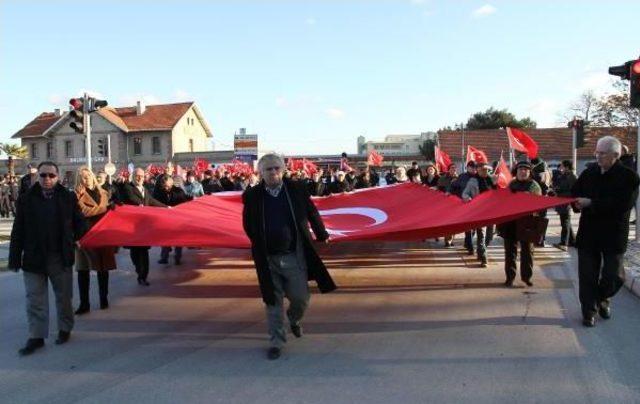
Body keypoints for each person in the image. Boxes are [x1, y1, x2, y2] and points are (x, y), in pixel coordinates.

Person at [242, 153, 336, 360]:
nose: (274, 172)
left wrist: (322, 234)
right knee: (272, 301)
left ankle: (294, 320)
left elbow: (312, 213)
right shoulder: (251, 196)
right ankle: (276, 340)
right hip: (267, 259)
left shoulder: (296, 189)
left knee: (300, 298)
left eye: (277, 168)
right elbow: (248, 225)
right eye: (269, 169)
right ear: (261, 173)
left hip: (294, 255)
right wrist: (259, 243)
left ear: (283, 170)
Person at [9, 161, 87, 355]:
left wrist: (78, 238)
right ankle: (36, 336)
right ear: (38, 176)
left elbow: (80, 222)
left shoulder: (67, 197)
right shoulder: (27, 199)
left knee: (64, 297)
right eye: (43, 175)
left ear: (58, 177)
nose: (47, 179)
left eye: (51, 175)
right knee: (35, 299)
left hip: (59, 256)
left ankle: (64, 329)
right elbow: (18, 229)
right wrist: (14, 258)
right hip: (34, 257)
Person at [572, 136, 640, 327]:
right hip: (589, 234)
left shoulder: (629, 177)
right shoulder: (589, 173)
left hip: (614, 235)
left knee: (615, 276)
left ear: (616, 155)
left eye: (602, 153)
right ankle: (589, 312)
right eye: (597, 152)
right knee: (587, 276)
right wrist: (574, 202)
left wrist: (591, 203)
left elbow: (622, 204)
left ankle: (601, 298)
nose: (598, 156)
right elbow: (575, 192)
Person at [73, 166, 116, 315]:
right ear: (79, 180)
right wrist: (107, 209)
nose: (86, 179)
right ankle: (84, 304)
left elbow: (111, 212)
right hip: (84, 236)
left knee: (103, 269)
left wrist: (115, 208)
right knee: (83, 271)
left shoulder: (104, 193)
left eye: (88, 176)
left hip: (102, 235)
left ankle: (104, 299)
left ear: (92, 176)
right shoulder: (77, 195)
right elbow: (84, 211)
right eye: (83, 177)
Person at [497, 160, 542, 287]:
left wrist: (524, 197)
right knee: (510, 251)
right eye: (520, 169)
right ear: (516, 171)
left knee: (527, 251)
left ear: (530, 172)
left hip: (528, 221)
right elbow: (504, 200)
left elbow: (537, 201)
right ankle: (510, 277)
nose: (523, 172)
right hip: (511, 222)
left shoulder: (534, 185)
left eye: (526, 170)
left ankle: (526, 277)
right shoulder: (511, 184)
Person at [121, 168, 167, 285]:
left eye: (141, 176)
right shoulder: (128, 187)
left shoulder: (145, 189)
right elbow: (131, 198)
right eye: (137, 175)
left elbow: (152, 201)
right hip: (133, 227)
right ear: (133, 176)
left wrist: (166, 207)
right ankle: (138, 269)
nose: (140, 178)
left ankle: (143, 276)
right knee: (135, 251)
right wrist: (140, 205)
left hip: (144, 227)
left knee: (144, 251)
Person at [461, 162, 496, 267]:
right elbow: (465, 193)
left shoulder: (492, 180)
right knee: (481, 235)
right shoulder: (473, 181)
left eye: (486, 169)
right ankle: (483, 257)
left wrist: (497, 185)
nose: (484, 171)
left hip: (492, 212)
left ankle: (481, 250)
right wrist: (469, 199)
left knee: (489, 236)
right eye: (482, 169)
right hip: (479, 212)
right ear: (478, 170)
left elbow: (499, 192)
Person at [153, 174, 192, 265]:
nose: (166, 188)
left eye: (168, 186)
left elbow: (186, 200)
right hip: (164, 220)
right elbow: (154, 202)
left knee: (178, 240)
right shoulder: (158, 192)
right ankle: (164, 257)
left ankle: (177, 258)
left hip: (178, 220)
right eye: (164, 186)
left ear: (171, 183)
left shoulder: (179, 191)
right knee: (165, 239)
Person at [450, 161, 479, 255]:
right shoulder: (462, 177)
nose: (473, 169)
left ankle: (467, 242)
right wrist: (449, 193)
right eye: (471, 167)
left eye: (475, 167)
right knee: (468, 227)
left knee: (474, 228)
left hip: (477, 206)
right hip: (465, 205)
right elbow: (453, 186)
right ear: (467, 167)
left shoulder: (479, 177)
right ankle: (470, 247)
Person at [550, 160, 577, 251]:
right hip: (562, 202)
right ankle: (573, 241)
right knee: (566, 222)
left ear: (567, 167)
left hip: (566, 203)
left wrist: (560, 191)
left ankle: (564, 243)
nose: (560, 168)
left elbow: (572, 191)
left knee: (565, 223)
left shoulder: (571, 177)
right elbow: (560, 186)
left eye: (562, 166)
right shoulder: (564, 176)